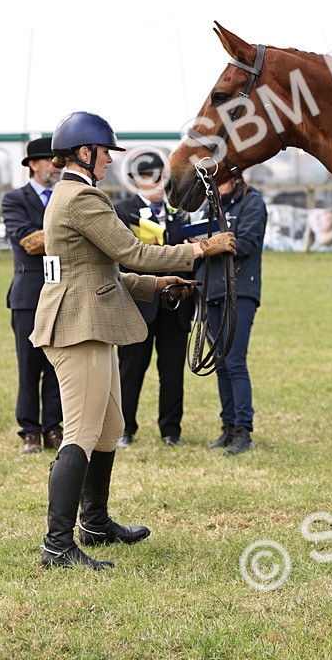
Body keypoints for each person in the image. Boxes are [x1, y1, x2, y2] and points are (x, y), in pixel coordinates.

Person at [30, 112, 235, 570]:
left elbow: (108, 272)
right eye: (105, 153)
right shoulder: (81, 197)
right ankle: (57, 546)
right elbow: (133, 252)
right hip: (77, 326)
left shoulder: (75, 195)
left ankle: (95, 523)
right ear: (85, 153)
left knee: (108, 429)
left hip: (93, 319)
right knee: (81, 433)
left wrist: (160, 284)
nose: (108, 161)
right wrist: (200, 248)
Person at [113, 154, 192, 448]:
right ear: (136, 181)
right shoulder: (123, 212)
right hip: (139, 302)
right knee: (130, 370)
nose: (157, 184)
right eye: (149, 177)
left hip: (176, 304)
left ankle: (171, 429)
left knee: (172, 371)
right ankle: (124, 428)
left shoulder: (180, 214)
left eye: (161, 177)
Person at [196, 176, 267, 456]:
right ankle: (228, 425)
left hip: (240, 289)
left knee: (235, 360)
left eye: (221, 181)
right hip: (210, 288)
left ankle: (243, 429)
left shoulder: (253, 203)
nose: (216, 187)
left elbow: (248, 242)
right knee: (221, 363)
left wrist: (210, 244)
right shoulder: (209, 206)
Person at [1, 139, 64, 454]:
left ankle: (53, 426)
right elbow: (28, 241)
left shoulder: (64, 196)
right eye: (50, 161)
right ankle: (30, 430)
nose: (56, 166)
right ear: (33, 164)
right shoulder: (14, 199)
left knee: (56, 363)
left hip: (61, 291)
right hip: (28, 295)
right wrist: (69, 232)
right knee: (29, 365)